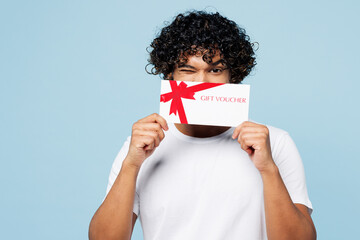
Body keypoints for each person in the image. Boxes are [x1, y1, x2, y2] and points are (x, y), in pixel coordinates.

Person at [88, 11, 316, 240]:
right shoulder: (140, 147)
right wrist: (131, 165)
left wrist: (268, 168)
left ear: (232, 76)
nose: (201, 83)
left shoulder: (274, 142)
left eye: (215, 70)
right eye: (187, 70)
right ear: (170, 75)